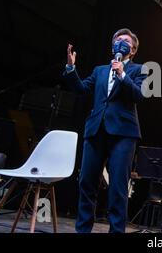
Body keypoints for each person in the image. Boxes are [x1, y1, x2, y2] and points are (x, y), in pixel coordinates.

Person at [63, 28, 147, 233]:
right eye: (118, 39)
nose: (121, 42)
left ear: (133, 50)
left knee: (118, 188)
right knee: (86, 182)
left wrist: (122, 74)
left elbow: (139, 95)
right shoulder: (100, 70)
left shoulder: (140, 69)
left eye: (126, 40)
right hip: (95, 130)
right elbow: (82, 90)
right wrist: (71, 68)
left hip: (123, 134)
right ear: (112, 47)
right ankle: (83, 230)